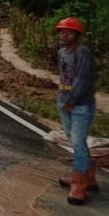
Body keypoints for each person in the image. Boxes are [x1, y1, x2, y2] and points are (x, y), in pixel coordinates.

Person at [55, 17, 98, 205]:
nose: (64, 35)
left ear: (77, 34)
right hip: (64, 103)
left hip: (80, 105)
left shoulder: (83, 52)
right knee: (74, 141)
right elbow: (62, 76)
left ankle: (79, 184)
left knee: (78, 143)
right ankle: (88, 176)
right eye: (62, 31)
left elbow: (84, 80)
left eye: (68, 32)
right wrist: (63, 100)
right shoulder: (62, 53)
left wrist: (72, 101)